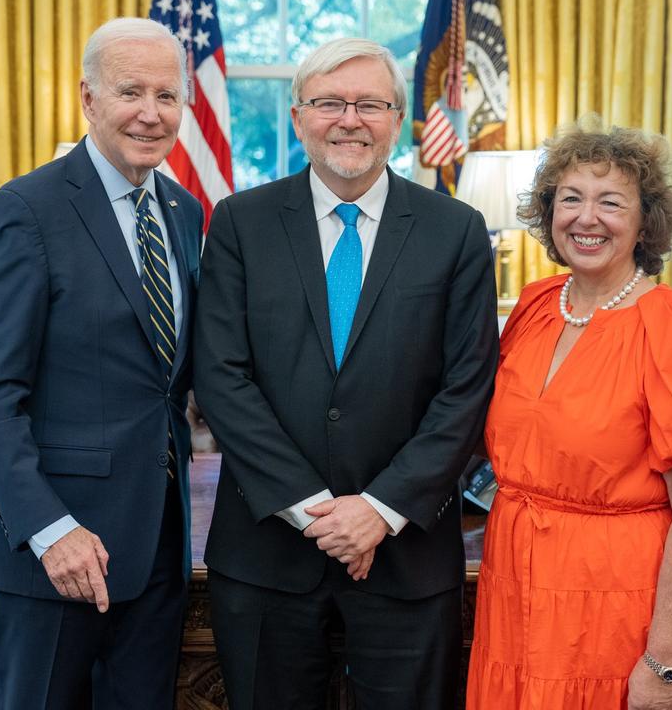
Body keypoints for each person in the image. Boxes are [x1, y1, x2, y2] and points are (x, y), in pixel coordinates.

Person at [193, 37, 499, 710]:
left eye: (370, 104)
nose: (349, 119)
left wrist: (380, 512)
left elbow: (467, 388)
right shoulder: (240, 224)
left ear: (397, 121)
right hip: (267, 553)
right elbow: (220, 377)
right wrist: (317, 514)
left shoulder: (457, 231)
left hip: (408, 557)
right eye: (330, 102)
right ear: (298, 116)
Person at [466, 117, 672, 710]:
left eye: (611, 202)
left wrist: (664, 662)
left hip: (615, 607)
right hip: (514, 591)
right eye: (569, 198)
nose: (586, 218)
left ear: (645, 220)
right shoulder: (537, 304)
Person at [0, 16, 203, 709]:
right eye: (131, 92)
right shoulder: (25, 211)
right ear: (88, 99)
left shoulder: (182, 212)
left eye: (166, 96)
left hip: (157, 548)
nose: (150, 115)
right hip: (56, 555)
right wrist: (51, 529)